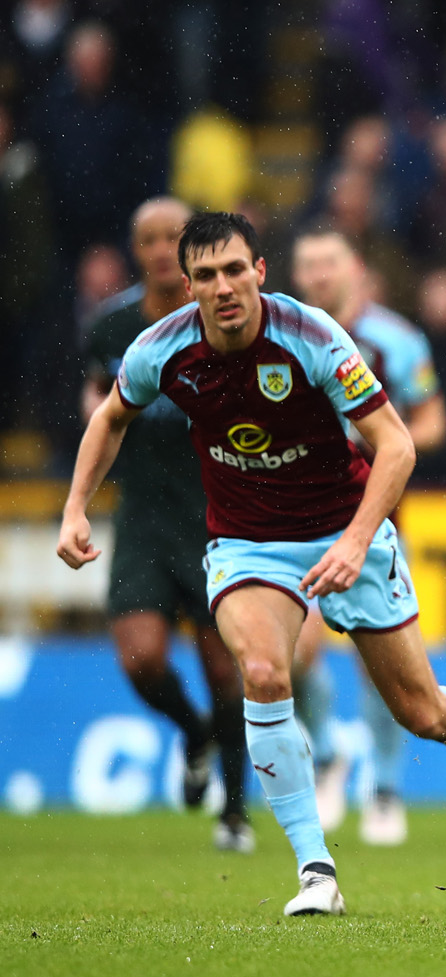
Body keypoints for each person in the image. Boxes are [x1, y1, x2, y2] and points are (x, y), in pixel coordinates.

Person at [56, 212, 446, 917]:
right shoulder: (160, 348)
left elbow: (398, 446)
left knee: (423, 711)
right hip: (246, 542)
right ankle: (316, 870)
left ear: (260, 272)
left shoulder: (311, 336)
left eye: (235, 270)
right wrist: (76, 506)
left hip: (344, 527)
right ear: (187, 285)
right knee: (261, 672)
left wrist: (354, 541)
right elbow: (110, 416)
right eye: (207, 276)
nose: (224, 287)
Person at [79, 196, 251, 851]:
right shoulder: (111, 327)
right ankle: (194, 731)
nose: (157, 248)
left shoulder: (226, 322)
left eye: (169, 237)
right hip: (145, 515)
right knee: (142, 657)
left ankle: (234, 812)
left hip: (215, 511)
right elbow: (100, 409)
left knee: (226, 670)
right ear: (136, 248)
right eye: (146, 237)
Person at [289, 222, 446, 846]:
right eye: (308, 265)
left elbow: (432, 423)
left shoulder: (397, 341)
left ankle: (383, 787)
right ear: (295, 274)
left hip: (378, 520)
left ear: (354, 267)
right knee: (294, 657)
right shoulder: (283, 340)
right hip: (298, 521)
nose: (319, 275)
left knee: (376, 666)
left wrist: (384, 436)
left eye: (329, 262)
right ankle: (328, 751)